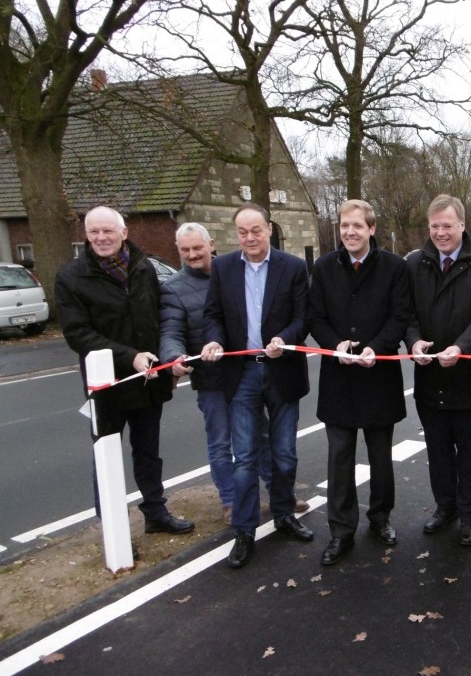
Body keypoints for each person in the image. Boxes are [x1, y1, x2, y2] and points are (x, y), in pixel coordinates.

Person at [55, 206, 195, 537]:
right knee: (106, 458)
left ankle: (155, 512)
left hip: (149, 381)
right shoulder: (71, 278)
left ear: (124, 233)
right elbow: (79, 335)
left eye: (107, 231)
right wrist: (129, 356)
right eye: (93, 232)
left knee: (149, 452)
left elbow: (159, 318)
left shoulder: (143, 267)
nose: (101, 238)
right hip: (107, 385)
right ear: (86, 235)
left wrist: (169, 360)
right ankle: (113, 529)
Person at [201, 202, 313, 569]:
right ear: (237, 235)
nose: (250, 238)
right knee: (245, 457)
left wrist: (284, 338)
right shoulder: (222, 268)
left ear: (269, 229)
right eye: (243, 232)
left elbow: (303, 317)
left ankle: (283, 514)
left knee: (283, 453)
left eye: (256, 230)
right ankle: (245, 531)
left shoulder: (293, 267)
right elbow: (213, 314)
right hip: (241, 372)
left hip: (282, 371)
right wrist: (215, 340)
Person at [307, 200, 412, 565]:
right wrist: (334, 345)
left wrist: (375, 348)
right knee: (339, 458)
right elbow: (314, 316)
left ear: (371, 229)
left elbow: (401, 316)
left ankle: (380, 519)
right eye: (343, 225)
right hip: (338, 378)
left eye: (356, 225)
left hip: (378, 375)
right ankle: (340, 531)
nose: (349, 231)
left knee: (381, 458)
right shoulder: (323, 268)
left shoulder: (395, 268)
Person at [405, 194, 471, 547]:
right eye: (434, 226)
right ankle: (444, 507)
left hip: (469, 380)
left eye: (447, 225)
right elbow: (409, 313)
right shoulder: (415, 262)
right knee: (437, 451)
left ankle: (469, 516)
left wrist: (461, 348)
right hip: (429, 377)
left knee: (470, 453)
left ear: (462, 224)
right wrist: (414, 341)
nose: (440, 232)